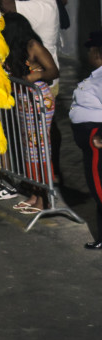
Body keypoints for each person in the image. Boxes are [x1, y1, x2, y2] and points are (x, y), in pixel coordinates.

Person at [1, 12, 59, 213]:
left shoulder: (33, 46)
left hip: (39, 101)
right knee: (29, 150)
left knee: (40, 150)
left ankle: (44, 199)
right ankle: (35, 194)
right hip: (24, 101)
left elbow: (53, 71)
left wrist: (36, 76)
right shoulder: (13, 49)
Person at [70, 31, 102, 249]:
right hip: (90, 139)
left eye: (90, 50)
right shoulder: (96, 74)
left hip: (96, 138)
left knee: (99, 189)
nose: (87, 54)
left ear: (97, 52)